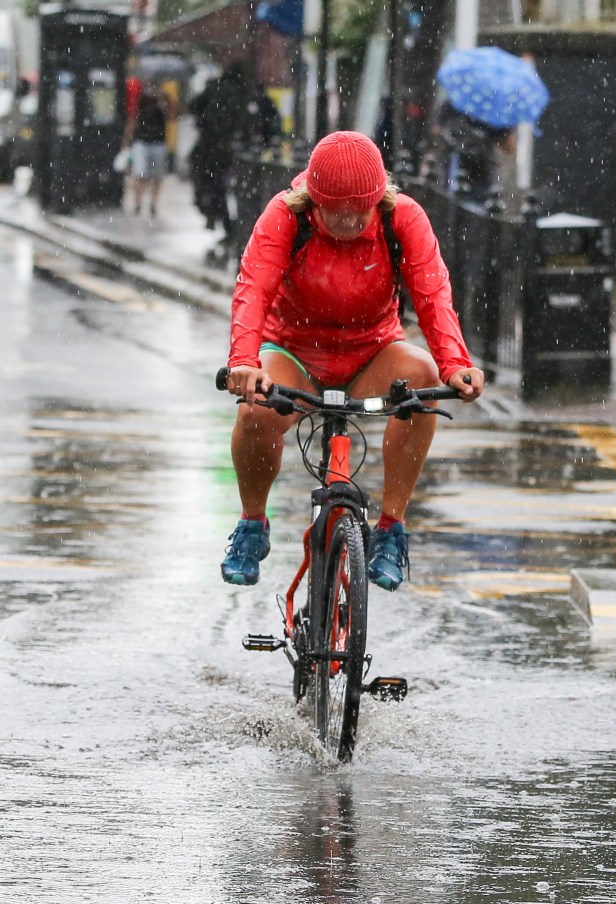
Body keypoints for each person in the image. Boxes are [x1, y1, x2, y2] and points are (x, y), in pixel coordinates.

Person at [221, 131, 484, 590]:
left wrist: (454, 364)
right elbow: (253, 289)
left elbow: (432, 294)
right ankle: (252, 524)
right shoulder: (284, 216)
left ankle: (390, 530)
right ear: (313, 200)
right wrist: (244, 361)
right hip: (293, 353)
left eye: (358, 213)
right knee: (254, 411)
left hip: (372, 353)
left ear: (378, 199)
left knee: (421, 379)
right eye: (335, 214)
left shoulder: (403, 219)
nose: (348, 223)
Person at [188, 65, 247, 235]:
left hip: (207, 146)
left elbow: (193, 107)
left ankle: (214, 213)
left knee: (208, 182)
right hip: (226, 148)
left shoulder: (213, 88)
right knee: (221, 185)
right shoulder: (240, 93)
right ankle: (226, 221)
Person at [437, 101, 516, 204]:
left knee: (452, 204)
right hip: (478, 169)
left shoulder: (457, 100)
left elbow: (438, 128)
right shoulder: (495, 108)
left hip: (462, 165)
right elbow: (508, 145)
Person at [122, 83, 170, 217]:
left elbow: (172, 116)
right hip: (142, 141)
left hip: (158, 142)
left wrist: (164, 102)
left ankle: (153, 204)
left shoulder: (163, 99)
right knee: (140, 173)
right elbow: (133, 118)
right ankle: (138, 202)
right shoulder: (141, 99)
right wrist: (127, 139)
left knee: (157, 175)